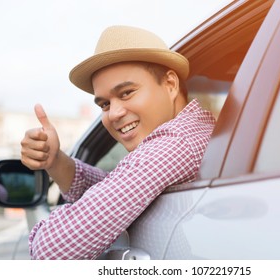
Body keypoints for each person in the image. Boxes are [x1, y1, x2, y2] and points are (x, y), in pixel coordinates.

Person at [20, 25, 216, 259]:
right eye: (104, 104)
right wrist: (56, 160)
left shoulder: (174, 144)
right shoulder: (195, 133)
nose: (113, 114)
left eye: (126, 93)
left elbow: (50, 252)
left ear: (170, 84)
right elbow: (120, 187)